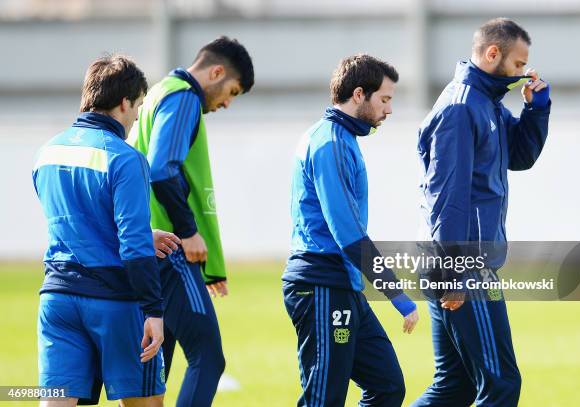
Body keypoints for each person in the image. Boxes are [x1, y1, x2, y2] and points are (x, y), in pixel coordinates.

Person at [412, 18, 551, 407]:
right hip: (463, 265)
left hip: (456, 263)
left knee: (453, 386)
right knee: (501, 384)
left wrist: (536, 110)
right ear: (493, 54)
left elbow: (520, 157)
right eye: (519, 64)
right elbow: (447, 196)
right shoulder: (461, 108)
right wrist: (454, 272)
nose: (523, 72)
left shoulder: (485, 103)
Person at [33, 54, 181, 407]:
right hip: (115, 303)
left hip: (57, 302)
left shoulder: (47, 152)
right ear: (124, 103)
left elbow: (81, 224)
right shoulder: (125, 158)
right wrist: (154, 311)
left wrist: (145, 236)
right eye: (138, 107)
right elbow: (131, 246)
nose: (136, 118)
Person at [282, 54, 419, 407]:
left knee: (387, 386)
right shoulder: (330, 143)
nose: (389, 110)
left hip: (344, 284)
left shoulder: (340, 138)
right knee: (323, 400)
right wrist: (398, 296)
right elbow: (348, 236)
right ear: (359, 94)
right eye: (385, 99)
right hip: (322, 284)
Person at [129, 36, 254, 407]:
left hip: (143, 247)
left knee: (154, 368)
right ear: (216, 72)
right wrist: (189, 232)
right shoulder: (184, 96)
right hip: (170, 249)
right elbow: (162, 171)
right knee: (208, 357)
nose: (227, 103)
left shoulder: (157, 93)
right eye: (231, 91)